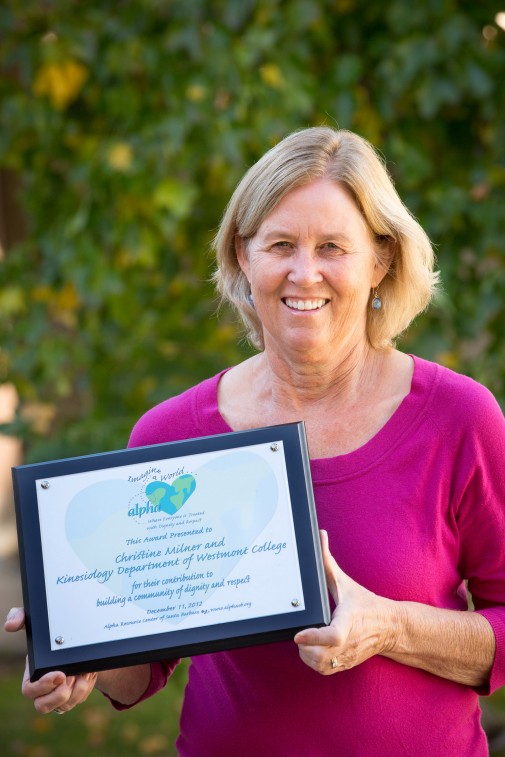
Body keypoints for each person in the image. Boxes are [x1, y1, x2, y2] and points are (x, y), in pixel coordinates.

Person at [5, 126, 505, 756]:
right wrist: (81, 650)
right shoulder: (171, 435)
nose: (305, 272)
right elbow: (147, 666)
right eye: (280, 244)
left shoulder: (458, 419)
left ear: (380, 259)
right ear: (244, 256)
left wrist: (390, 627)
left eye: (332, 246)